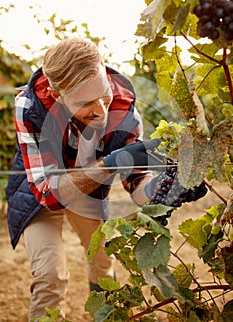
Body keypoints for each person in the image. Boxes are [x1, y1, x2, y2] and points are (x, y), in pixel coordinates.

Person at [6, 37, 207, 321]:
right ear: (56, 94)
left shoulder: (123, 106)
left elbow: (137, 185)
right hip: (39, 195)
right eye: (86, 103)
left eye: (103, 94)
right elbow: (48, 194)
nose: (101, 110)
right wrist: (110, 164)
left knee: (103, 262)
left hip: (87, 197)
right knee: (50, 275)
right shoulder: (30, 107)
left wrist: (166, 189)